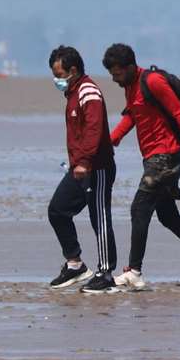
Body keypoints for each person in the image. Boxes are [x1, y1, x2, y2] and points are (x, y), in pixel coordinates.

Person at [103, 43, 180, 290]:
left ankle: (134, 271)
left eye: (117, 74)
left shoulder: (153, 82)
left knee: (139, 209)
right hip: (152, 158)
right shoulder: (130, 87)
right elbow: (132, 116)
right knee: (168, 217)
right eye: (112, 75)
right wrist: (111, 140)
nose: (115, 79)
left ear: (129, 67)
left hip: (165, 156)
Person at [45, 45, 119, 292]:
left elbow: (94, 129)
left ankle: (106, 273)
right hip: (78, 167)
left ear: (73, 70)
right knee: (57, 210)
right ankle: (75, 264)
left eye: (59, 74)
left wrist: (86, 161)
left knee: (99, 217)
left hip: (96, 168)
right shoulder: (73, 93)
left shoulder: (88, 92)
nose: (56, 80)